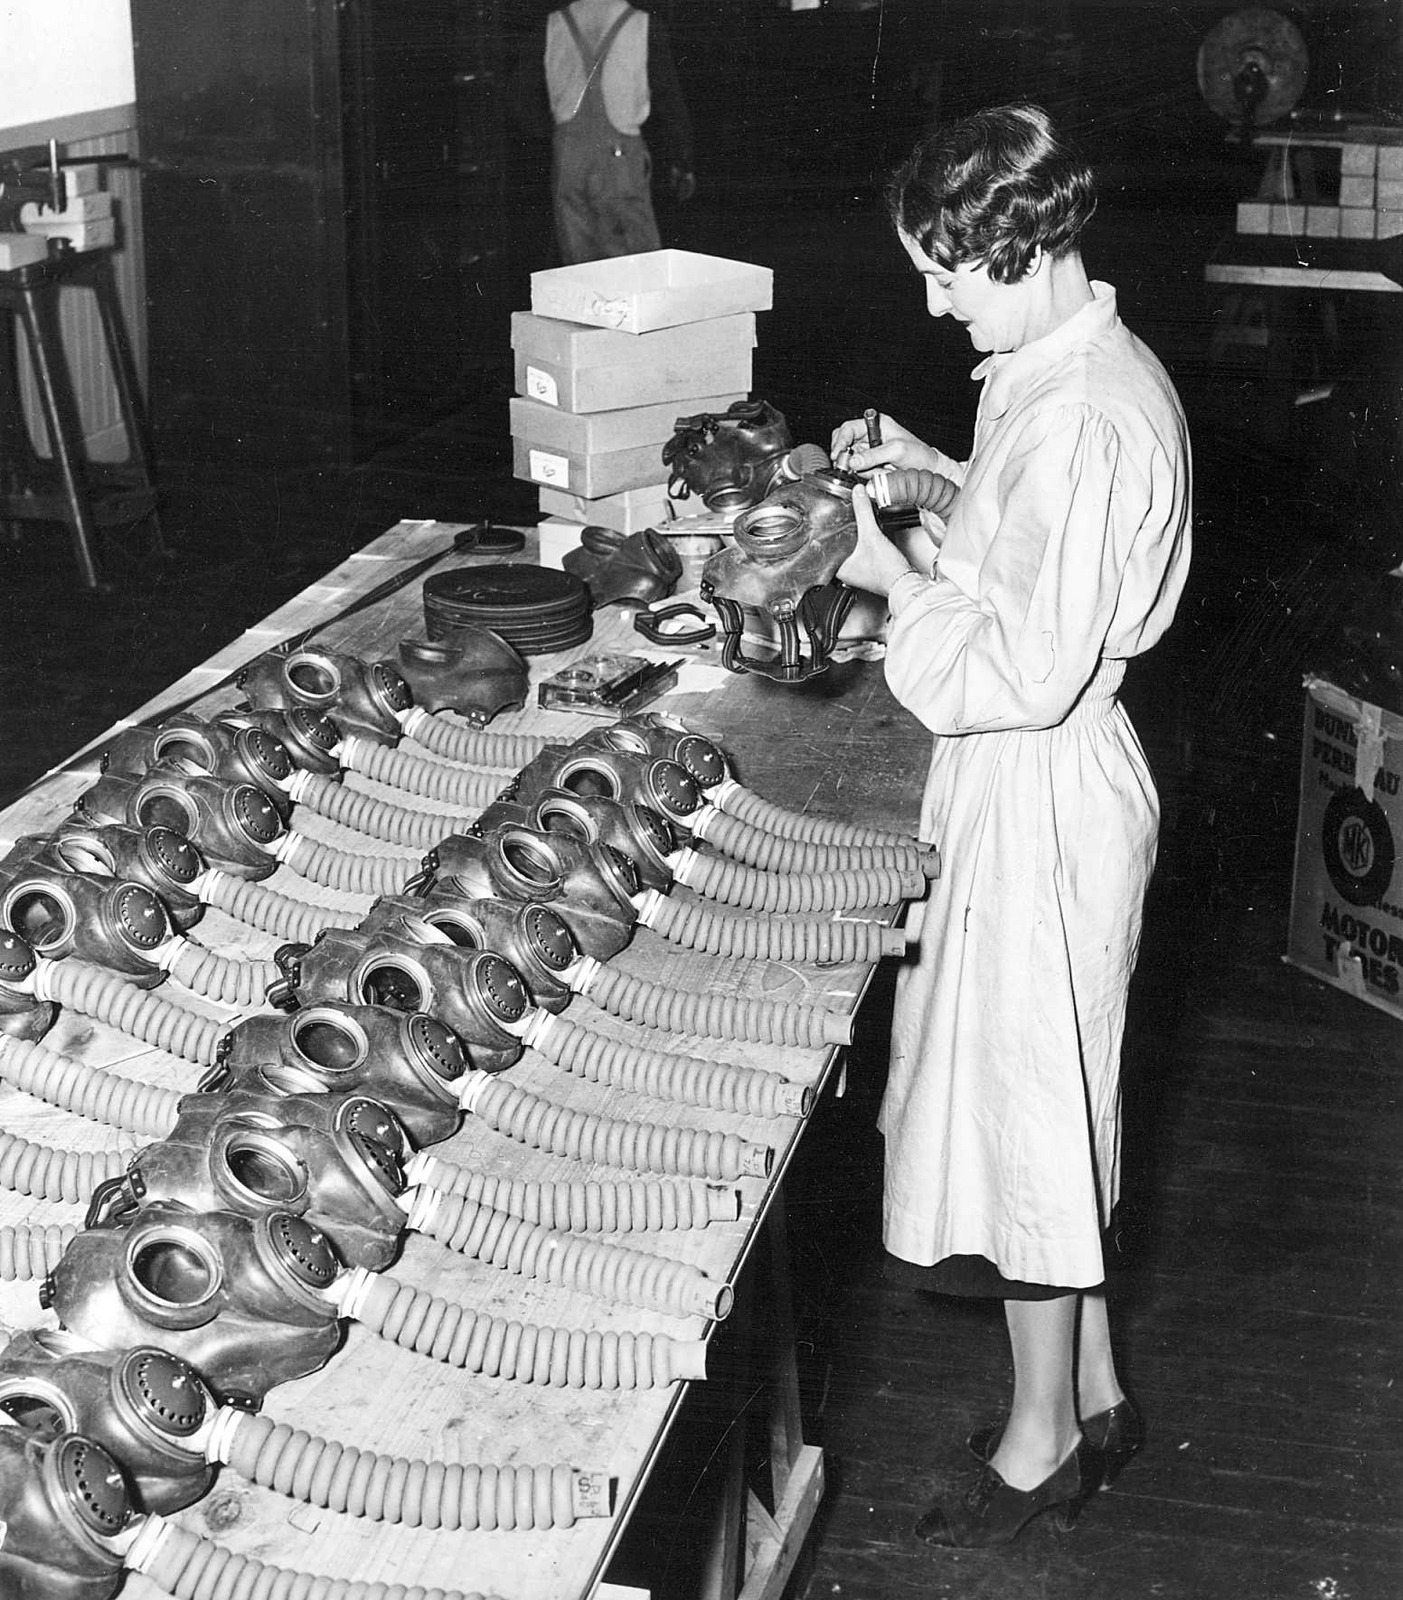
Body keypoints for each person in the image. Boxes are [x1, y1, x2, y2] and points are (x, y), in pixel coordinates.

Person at [829, 103, 1192, 1549]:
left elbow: (1022, 668)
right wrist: (936, 480)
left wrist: (890, 580)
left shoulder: (1083, 415)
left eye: (943, 274)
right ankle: (1091, 1387)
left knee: (1030, 1123)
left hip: (1040, 783)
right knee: (1039, 1100)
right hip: (1027, 781)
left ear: (1018, 250)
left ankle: (1038, 1443)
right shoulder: (1052, 367)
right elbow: (1027, 544)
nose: (932, 302)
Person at [515, 0, 696, 266]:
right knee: (636, 263)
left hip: (569, 159)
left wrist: (556, 134)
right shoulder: (642, 24)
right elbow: (669, 100)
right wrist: (683, 161)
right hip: (621, 159)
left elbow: (520, 101)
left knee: (578, 264)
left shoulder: (551, 25)